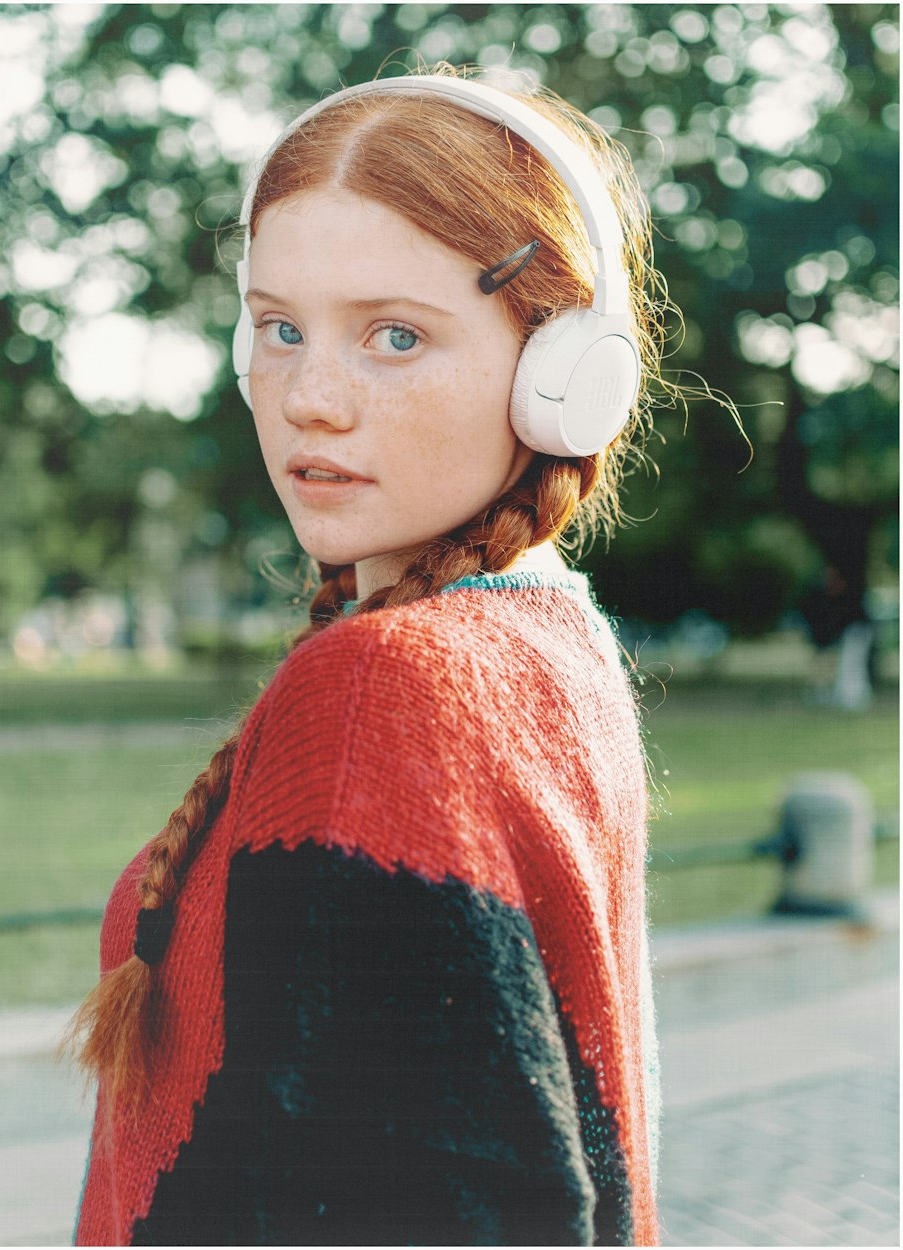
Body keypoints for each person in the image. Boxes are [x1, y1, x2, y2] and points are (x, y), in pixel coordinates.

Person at [70, 65, 665, 1247]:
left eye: (395, 335)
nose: (311, 398)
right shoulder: (552, 638)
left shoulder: (387, 691)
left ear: (561, 375)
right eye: (279, 327)